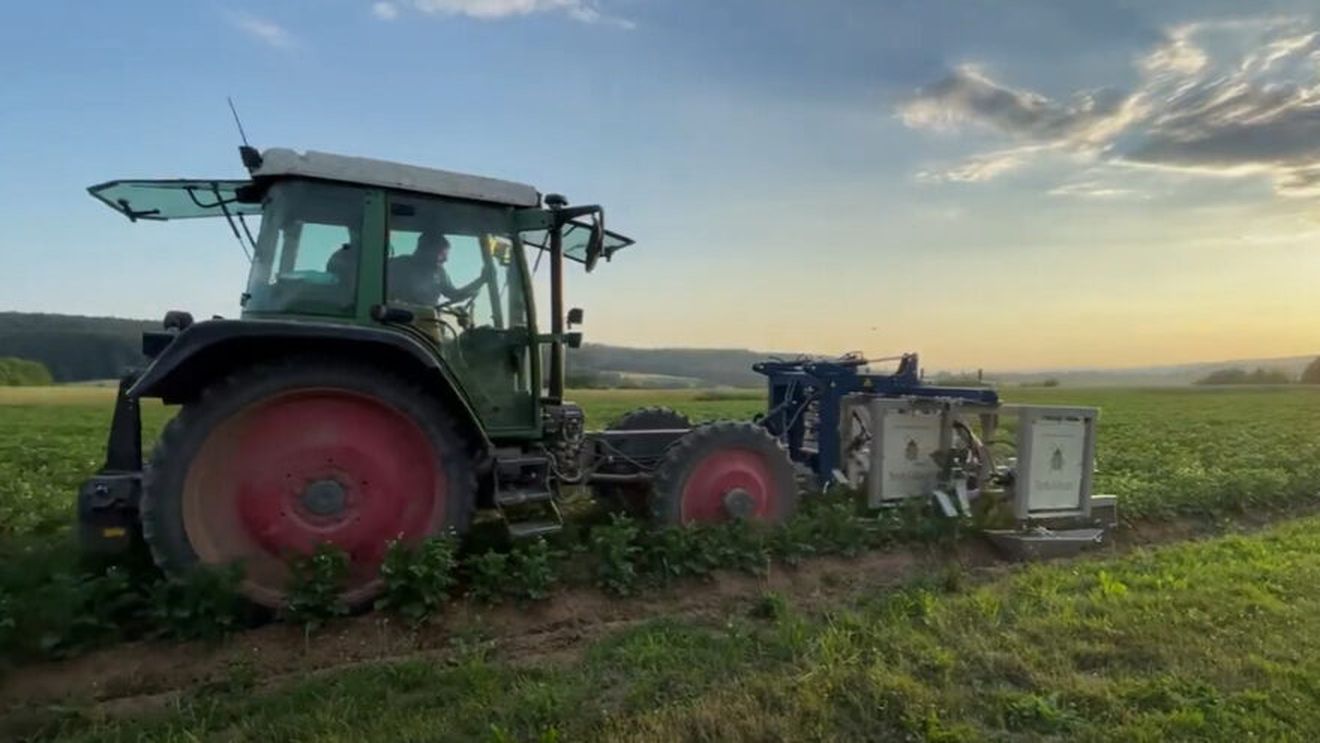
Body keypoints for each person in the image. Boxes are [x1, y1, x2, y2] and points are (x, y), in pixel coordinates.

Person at [388, 230, 493, 306]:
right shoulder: (396, 266)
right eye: (442, 254)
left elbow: (454, 295)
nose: (446, 259)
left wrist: (481, 280)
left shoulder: (439, 273)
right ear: (425, 249)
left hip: (426, 324)